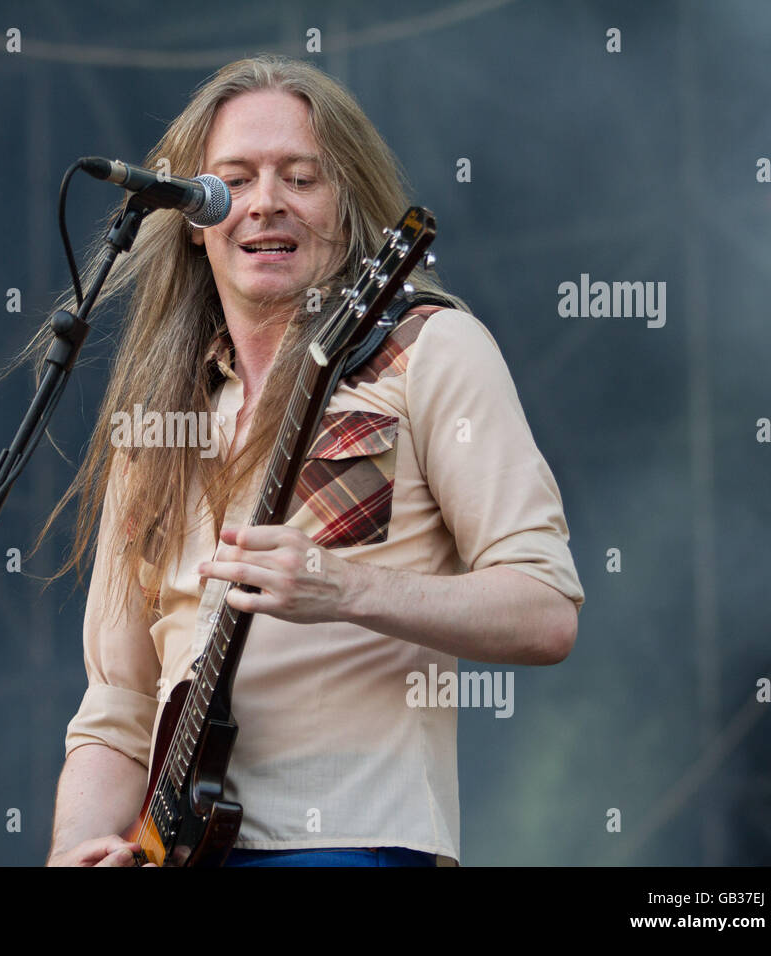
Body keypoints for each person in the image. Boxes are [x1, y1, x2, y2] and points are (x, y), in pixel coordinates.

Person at [34, 55, 584, 867]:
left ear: (348, 203)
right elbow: (118, 701)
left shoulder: (430, 353)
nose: (265, 203)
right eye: (233, 179)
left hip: (356, 840)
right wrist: (79, 846)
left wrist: (345, 587)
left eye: (301, 177)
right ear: (193, 214)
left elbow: (545, 610)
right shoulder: (157, 425)